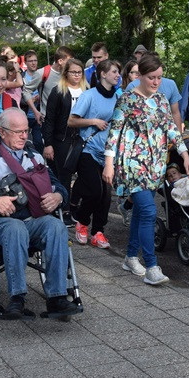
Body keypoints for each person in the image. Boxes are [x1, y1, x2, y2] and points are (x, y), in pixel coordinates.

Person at [0, 108, 80, 320]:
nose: (24, 136)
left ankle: (57, 297)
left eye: (26, 130)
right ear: (2, 132)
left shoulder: (34, 156)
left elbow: (57, 186)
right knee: (15, 229)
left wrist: (59, 197)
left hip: (33, 219)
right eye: (18, 132)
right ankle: (17, 298)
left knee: (57, 227)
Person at [103, 53, 189, 286]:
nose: (156, 82)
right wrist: (109, 164)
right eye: (152, 77)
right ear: (140, 76)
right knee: (149, 211)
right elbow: (114, 133)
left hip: (155, 164)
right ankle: (152, 267)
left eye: (160, 78)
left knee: (142, 212)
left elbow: (172, 129)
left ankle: (131, 257)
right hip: (132, 164)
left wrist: (184, 154)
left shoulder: (162, 99)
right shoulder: (126, 99)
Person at [68, 60, 122, 249]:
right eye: (114, 71)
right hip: (88, 150)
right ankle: (82, 223)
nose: (117, 75)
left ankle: (98, 232)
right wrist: (94, 121)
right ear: (103, 74)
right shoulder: (89, 95)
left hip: (108, 154)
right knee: (95, 191)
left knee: (106, 197)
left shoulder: (118, 97)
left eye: (118, 72)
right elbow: (72, 121)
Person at [41, 57, 87, 224]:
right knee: (64, 175)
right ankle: (64, 209)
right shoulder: (58, 91)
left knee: (85, 174)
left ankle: (73, 204)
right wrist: (48, 144)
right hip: (62, 138)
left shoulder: (86, 90)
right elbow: (50, 119)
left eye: (79, 72)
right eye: (73, 72)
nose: (76, 75)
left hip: (82, 137)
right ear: (66, 73)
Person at [21, 50, 46, 151]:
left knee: (38, 142)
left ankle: (38, 163)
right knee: (22, 141)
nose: (33, 63)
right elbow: (17, 97)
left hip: (38, 114)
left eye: (35, 60)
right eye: (30, 61)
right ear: (25, 62)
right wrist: (28, 100)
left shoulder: (41, 75)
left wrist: (40, 98)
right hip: (25, 113)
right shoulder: (21, 77)